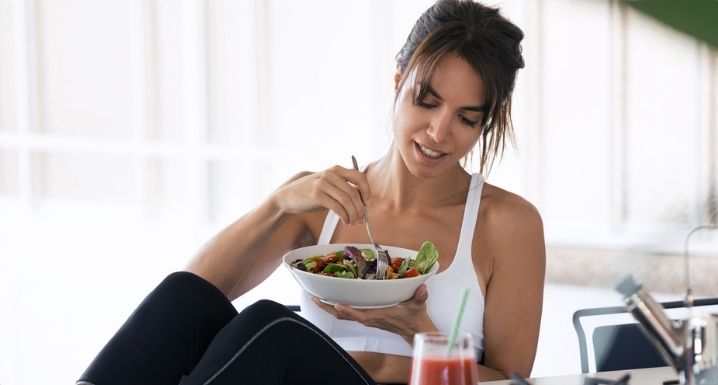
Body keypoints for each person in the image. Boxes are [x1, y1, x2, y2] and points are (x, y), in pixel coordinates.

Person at [77, 0, 545, 384]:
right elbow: (193, 297)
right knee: (188, 296)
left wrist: (416, 333)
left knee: (274, 328)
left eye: (467, 118)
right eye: (426, 101)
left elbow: (513, 380)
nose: (440, 132)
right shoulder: (322, 199)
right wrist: (278, 204)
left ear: (487, 121)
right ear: (398, 81)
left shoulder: (506, 223)